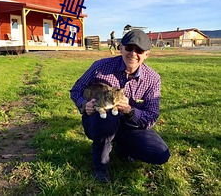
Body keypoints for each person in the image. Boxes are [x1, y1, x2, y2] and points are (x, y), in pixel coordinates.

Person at [70, 30, 170, 183]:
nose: (133, 54)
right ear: (121, 48)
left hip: (130, 125)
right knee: (108, 116)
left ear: (147, 54)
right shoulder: (100, 67)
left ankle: (121, 146)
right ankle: (101, 166)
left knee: (160, 153)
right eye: (129, 48)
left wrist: (130, 111)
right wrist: (84, 105)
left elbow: (151, 117)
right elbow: (76, 90)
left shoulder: (153, 79)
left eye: (139, 50)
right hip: (99, 120)